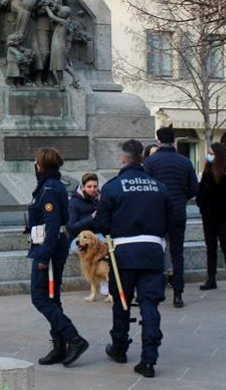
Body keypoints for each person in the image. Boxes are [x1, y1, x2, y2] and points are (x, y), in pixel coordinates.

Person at [94, 139, 176, 378]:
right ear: (143, 158)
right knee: (150, 305)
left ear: (123, 159)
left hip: (123, 256)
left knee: (122, 302)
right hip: (152, 252)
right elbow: (170, 219)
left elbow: (101, 223)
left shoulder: (112, 187)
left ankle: (119, 347)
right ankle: (149, 359)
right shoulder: (159, 187)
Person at [27, 147, 88, 367]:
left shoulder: (50, 188)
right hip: (48, 245)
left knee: (40, 296)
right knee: (51, 297)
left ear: (41, 164)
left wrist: (43, 256)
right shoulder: (48, 185)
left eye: (36, 160)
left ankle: (74, 338)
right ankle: (60, 346)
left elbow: (52, 226)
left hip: (49, 248)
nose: (34, 164)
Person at [143, 126, 198, 308]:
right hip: (177, 213)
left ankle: (157, 290)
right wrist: (181, 198)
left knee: (156, 251)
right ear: (173, 140)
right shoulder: (185, 161)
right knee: (177, 254)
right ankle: (178, 294)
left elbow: (147, 188)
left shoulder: (151, 162)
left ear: (158, 141)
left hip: (157, 214)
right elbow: (194, 189)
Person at [196, 142, 226, 294]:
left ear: (219, 154)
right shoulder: (208, 168)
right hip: (208, 213)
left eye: (212, 153)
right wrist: (201, 204)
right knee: (210, 247)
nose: (209, 156)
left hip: (225, 213)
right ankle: (211, 279)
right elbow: (202, 188)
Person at [66, 172, 102, 252]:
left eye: (95, 187)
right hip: (78, 238)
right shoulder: (73, 203)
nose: (92, 189)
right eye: (89, 187)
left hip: (98, 235)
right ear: (82, 187)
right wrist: (91, 217)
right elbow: (71, 227)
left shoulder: (100, 199)